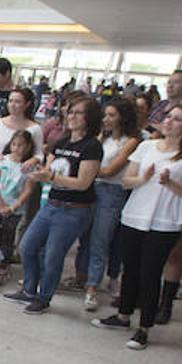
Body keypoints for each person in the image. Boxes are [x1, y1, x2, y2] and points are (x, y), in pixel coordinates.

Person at [91, 102, 182, 350]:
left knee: (150, 273)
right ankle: (123, 316)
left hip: (165, 222)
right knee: (130, 268)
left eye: (177, 119)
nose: (168, 121)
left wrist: (171, 183)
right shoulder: (147, 146)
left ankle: (144, 327)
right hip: (134, 215)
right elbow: (127, 181)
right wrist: (143, 178)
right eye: (168, 117)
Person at [5, 96, 102, 314]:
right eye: (71, 112)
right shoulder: (62, 142)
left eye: (78, 113)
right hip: (51, 204)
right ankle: (29, 289)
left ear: (90, 118)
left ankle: (44, 297)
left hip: (73, 210)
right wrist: (38, 174)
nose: (72, 116)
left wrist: (52, 177)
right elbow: (48, 169)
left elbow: (83, 183)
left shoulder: (91, 146)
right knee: (27, 246)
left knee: (52, 255)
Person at [78, 98, 141, 311]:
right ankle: (82, 277)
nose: (106, 119)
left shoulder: (130, 141)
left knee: (100, 240)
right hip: (91, 188)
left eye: (112, 115)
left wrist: (87, 169)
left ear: (123, 118)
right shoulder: (101, 137)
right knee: (85, 237)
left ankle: (92, 287)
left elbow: (110, 170)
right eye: (105, 115)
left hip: (112, 192)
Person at [0, 129, 35, 260]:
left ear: (28, 146)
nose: (16, 148)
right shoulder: (2, 161)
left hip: (14, 209)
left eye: (20, 145)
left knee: (8, 237)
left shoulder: (28, 167)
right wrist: (1, 205)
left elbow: (28, 190)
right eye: (14, 144)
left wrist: (13, 207)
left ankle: (3, 263)